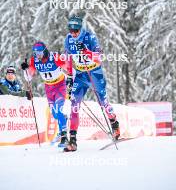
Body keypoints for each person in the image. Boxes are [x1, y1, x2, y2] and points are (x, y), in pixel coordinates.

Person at [64, 15, 120, 152]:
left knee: (103, 102)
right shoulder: (68, 39)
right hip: (81, 75)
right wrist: (70, 78)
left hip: (94, 73)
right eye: (71, 30)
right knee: (74, 105)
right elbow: (68, 59)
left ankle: (114, 124)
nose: (73, 33)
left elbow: (99, 57)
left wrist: (86, 51)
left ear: (80, 29)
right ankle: (72, 140)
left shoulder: (90, 37)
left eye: (76, 31)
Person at [21, 41, 73, 147]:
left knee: (58, 110)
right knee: (55, 114)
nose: (38, 55)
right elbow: (28, 78)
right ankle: (64, 119)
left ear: (45, 51)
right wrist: (25, 69)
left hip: (60, 86)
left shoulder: (54, 57)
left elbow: (69, 69)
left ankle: (64, 137)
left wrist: (71, 80)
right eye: (36, 53)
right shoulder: (34, 61)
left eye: (40, 53)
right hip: (48, 88)